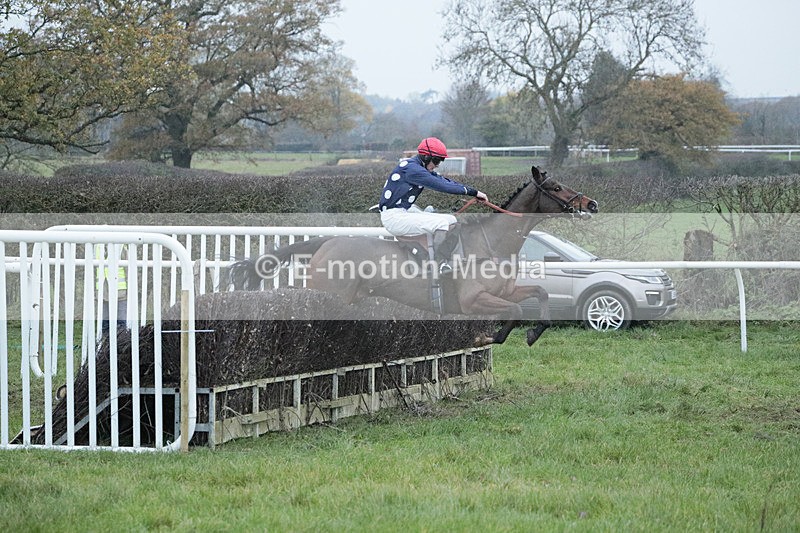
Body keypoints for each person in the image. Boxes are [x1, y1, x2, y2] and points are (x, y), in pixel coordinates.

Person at [379, 137, 488, 272]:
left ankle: (447, 259)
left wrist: (475, 192)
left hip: (403, 212)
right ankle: (438, 264)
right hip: (394, 217)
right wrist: (473, 192)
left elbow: (444, 181)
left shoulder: (417, 167)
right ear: (426, 157)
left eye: (440, 161)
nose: (438, 165)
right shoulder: (413, 169)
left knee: (452, 220)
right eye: (436, 160)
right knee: (441, 224)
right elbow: (443, 186)